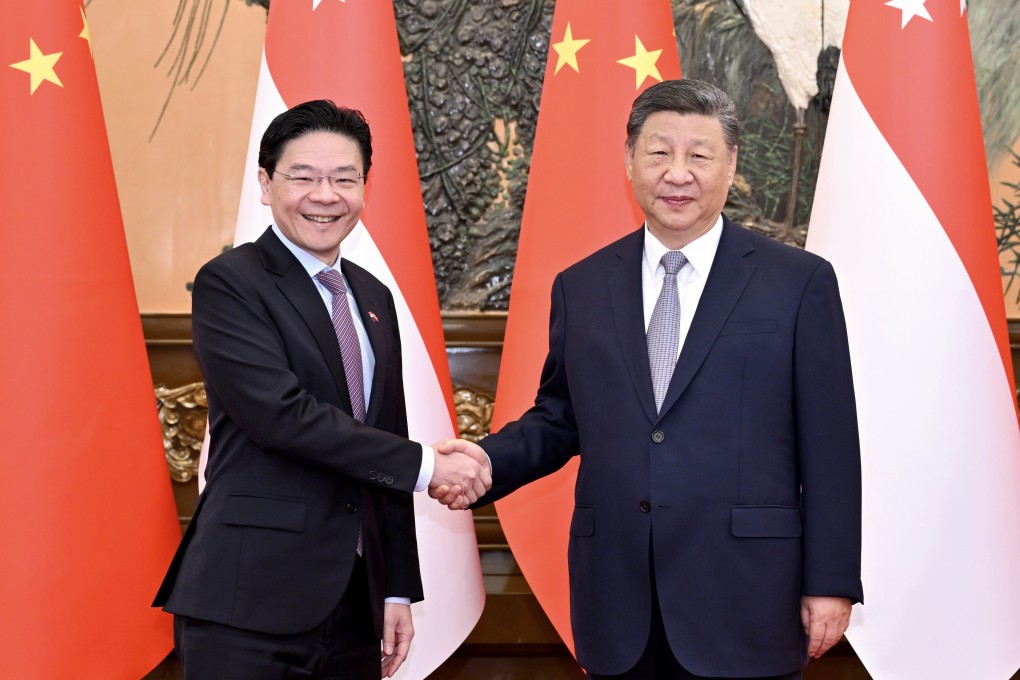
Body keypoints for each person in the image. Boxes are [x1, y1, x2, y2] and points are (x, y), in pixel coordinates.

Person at [436, 79, 862, 679]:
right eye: (660, 153)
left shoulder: (797, 284)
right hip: (618, 599)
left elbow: (831, 446)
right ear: (629, 159)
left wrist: (831, 582)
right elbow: (560, 418)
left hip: (747, 600)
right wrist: (484, 462)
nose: (678, 173)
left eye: (700, 155)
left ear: (731, 163)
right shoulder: (581, 286)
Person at [153, 100, 490, 680]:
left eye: (344, 179)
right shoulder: (231, 282)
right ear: (265, 183)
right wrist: (429, 465)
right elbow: (281, 417)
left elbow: (385, 438)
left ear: (364, 188)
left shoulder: (373, 297)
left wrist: (396, 590)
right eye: (303, 177)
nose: (325, 195)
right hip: (249, 600)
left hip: (356, 605)